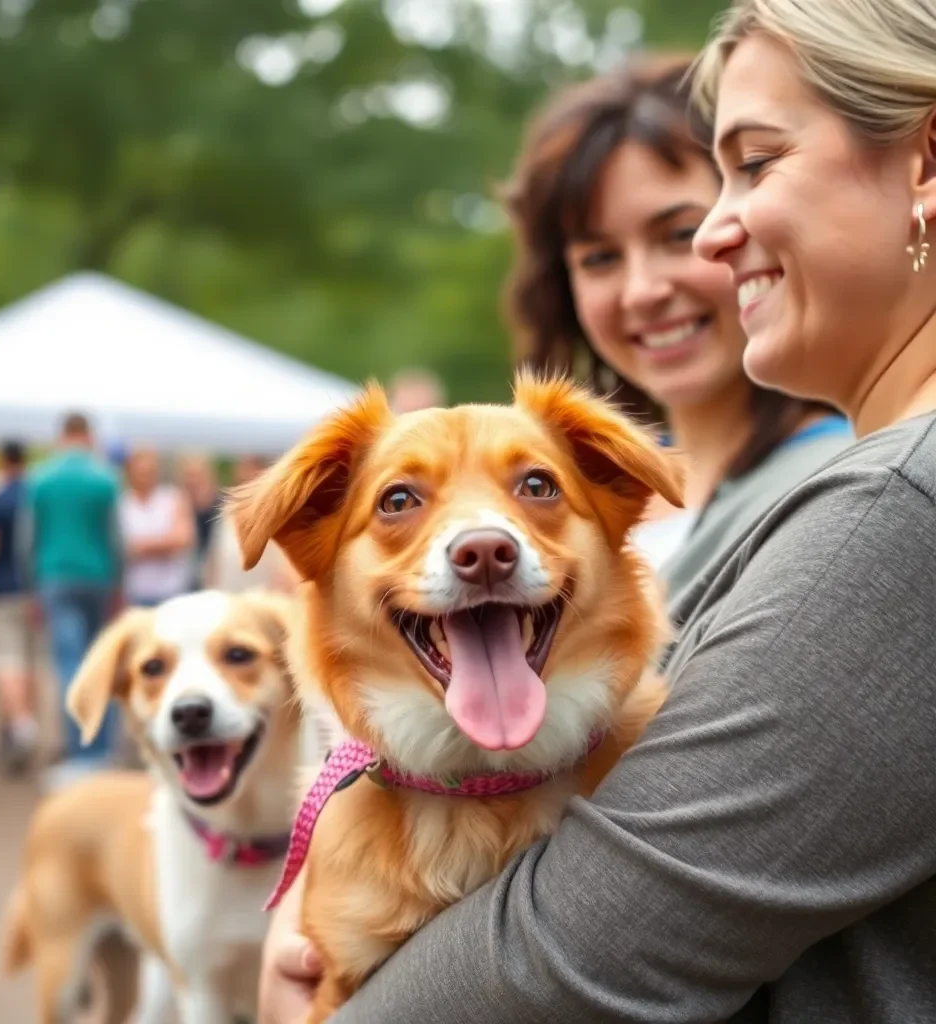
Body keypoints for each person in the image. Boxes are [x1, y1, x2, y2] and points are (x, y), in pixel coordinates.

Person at [258, 1, 936, 1020]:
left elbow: (582, 957)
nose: (708, 237)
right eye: (596, 255)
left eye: (752, 165)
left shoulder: (897, 504)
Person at [502, 55, 851, 601]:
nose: (642, 290)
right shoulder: (561, 497)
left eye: (680, 234)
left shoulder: (842, 489)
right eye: (599, 258)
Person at [24, 412, 121, 786]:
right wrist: (118, 585)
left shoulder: (41, 478)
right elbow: (116, 540)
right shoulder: (105, 478)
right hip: (97, 577)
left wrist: (32, 587)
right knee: (100, 661)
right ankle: (104, 748)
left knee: (68, 663)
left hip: (55, 576)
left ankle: (81, 754)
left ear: (62, 434)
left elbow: (27, 539)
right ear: (88, 435)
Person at [0, 440, 39, 774]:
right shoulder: (36, 497)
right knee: (30, 663)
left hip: (2, 590)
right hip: (35, 590)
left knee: (7, 662)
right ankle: (21, 722)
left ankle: (21, 724)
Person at [204, 455, 297, 594]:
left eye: (251, 468)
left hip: (262, 597)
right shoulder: (226, 512)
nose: (245, 474)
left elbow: (282, 566)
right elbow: (214, 557)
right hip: (227, 594)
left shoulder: (275, 515)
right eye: (243, 468)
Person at [119, 447, 195, 608]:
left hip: (171, 591)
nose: (144, 476)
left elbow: (183, 538)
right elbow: (119, 547)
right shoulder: (123, 503)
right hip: (134, 592)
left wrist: (140, 547)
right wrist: (163, 544)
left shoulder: (172, 498)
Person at [177, 452, 221, 591]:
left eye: (197, 475)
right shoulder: (177, 507)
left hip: (212, 576)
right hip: (183, 577)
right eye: (189, 475)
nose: (193, 480)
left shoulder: (220, 506)